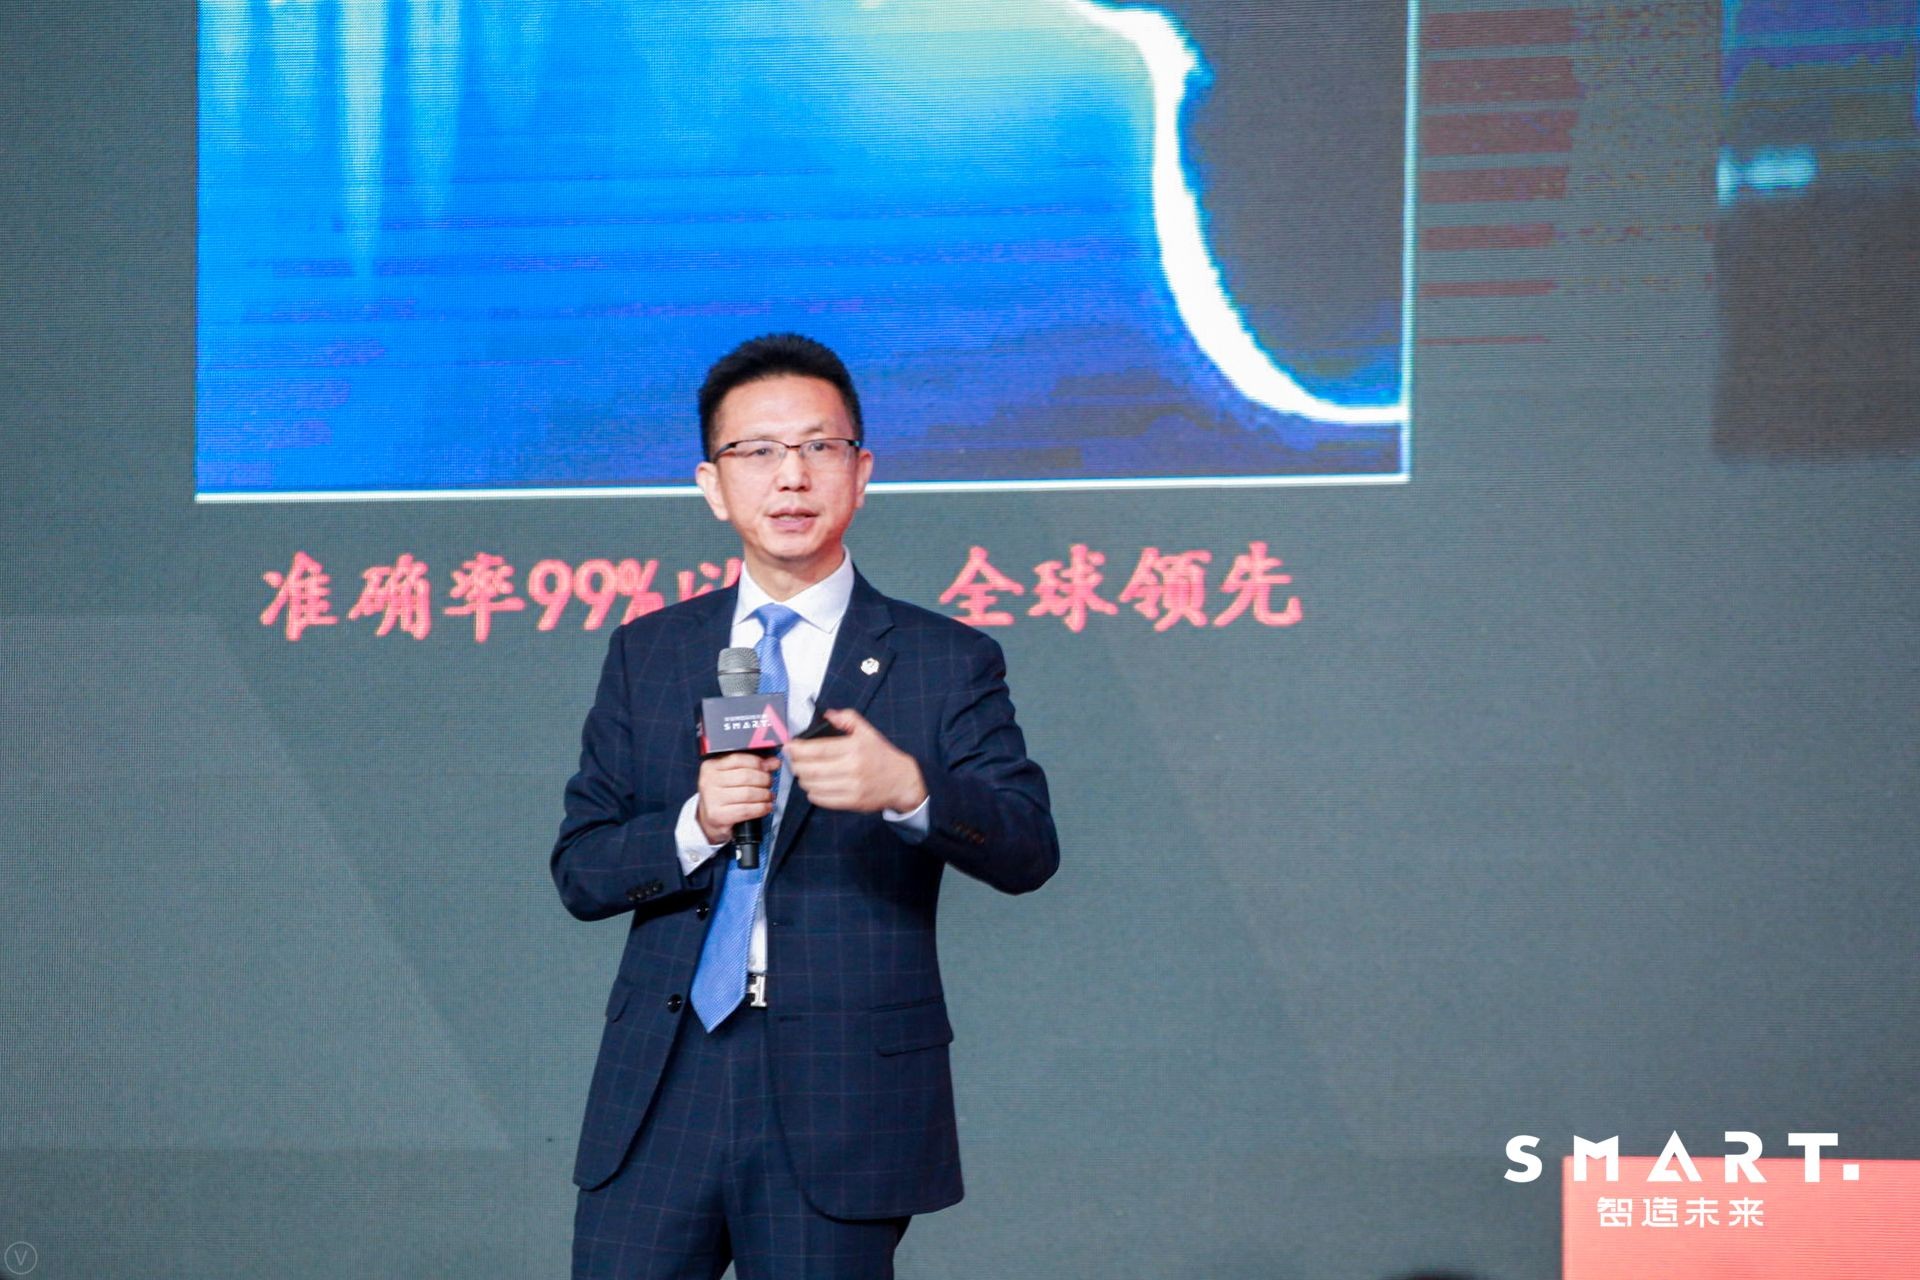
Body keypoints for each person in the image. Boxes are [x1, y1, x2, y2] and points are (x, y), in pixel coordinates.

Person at [551, 333, 1059, 1279]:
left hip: (842, 1094)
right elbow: (582, 869)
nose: (790, 476)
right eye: (757, 451)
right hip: (666, 1078)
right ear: (712, 486)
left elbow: (1028, 845)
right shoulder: (651, 653)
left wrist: (910, 790)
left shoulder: (944, 659)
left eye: (818, 447)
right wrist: (696, 825)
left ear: (861, 472)